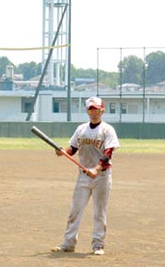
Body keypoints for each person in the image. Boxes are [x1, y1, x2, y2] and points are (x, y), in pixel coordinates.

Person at [50, 96, 120, 256]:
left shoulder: (107, 130)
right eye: (91, 109)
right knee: (75, 210)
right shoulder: (81, 129)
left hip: (101, 176)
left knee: (99, 212)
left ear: (103, 110)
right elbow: (73, 148)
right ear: (87, 111)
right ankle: (68, 244)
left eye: (97, 109)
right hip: (83, 176)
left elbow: (108, 153)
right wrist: (62, 152)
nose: (94, 112)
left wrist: (96, 169)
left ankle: (98, 245)